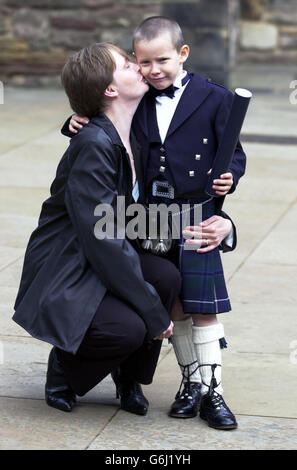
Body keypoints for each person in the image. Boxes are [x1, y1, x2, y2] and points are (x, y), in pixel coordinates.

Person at [66, 16, 246, 430]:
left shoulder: (215, 98)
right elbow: (105, 116)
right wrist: (74, 120)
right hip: (151, 218)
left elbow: (234, 152)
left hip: (195, 213)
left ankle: (212, 392)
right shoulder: (141, 94)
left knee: (205, 308)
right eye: (143, 62)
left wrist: (230, 176)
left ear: (182, 54)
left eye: (162, 60)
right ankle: (188, 384)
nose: (153, 70)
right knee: (177, 305)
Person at [12, 42, 182, 416]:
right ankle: (65, 372)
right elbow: (102, 239)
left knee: (167, 277)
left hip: (105, 249)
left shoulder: (131, 127)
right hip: (72, 262)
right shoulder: (94, 144)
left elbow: (185, 87)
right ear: (110, 89)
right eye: (126, 63)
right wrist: (154, 313)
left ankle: (129, 378)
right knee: (128, 328)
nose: (139, 65)